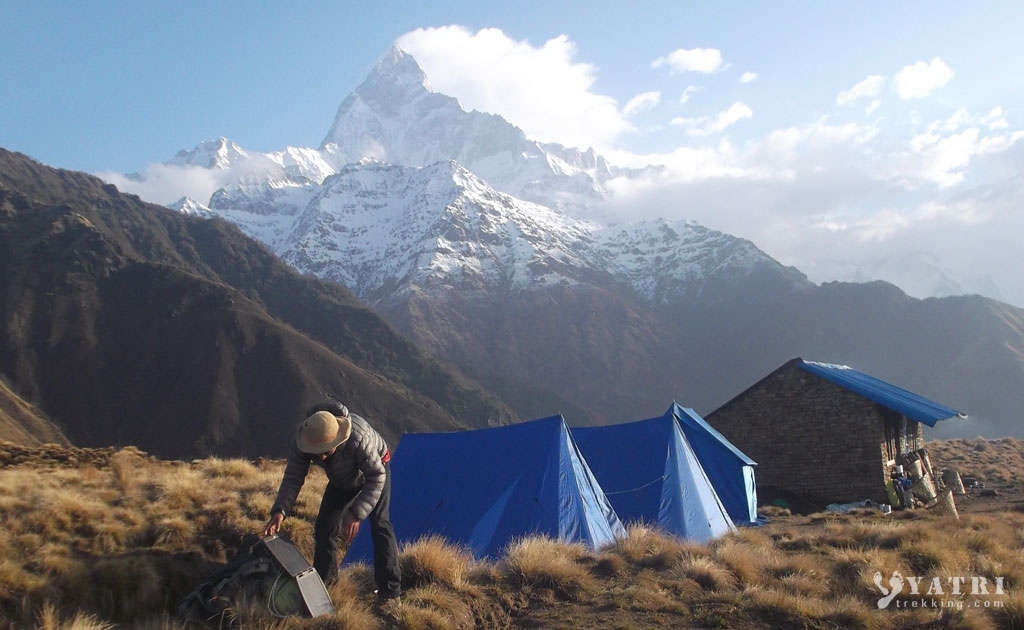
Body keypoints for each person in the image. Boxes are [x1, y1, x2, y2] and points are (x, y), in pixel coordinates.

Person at [263, 401, 401, 606]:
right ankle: (326, 586)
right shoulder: (305, 438)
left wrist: (356, 513)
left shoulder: (358, 437)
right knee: (324, 527)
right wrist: (279, 512)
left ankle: (390, 593)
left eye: (327, 451)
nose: (321, 456)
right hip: (341, 478)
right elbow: (293, 476)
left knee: (380, 525)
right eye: (317, 452)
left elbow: (377, 476)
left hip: (375, 471)